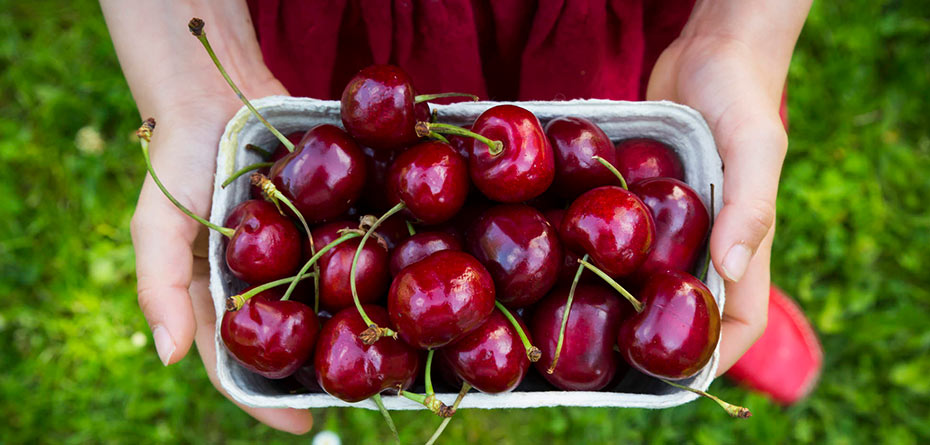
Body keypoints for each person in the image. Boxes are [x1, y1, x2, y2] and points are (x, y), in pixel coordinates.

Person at [101, 0, 816, 434]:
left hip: (593, 36)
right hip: (341, 34)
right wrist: (182, 48)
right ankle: (691, 310)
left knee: (688, 221)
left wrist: (737, 34)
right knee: (640, 241)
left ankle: (714, 293)